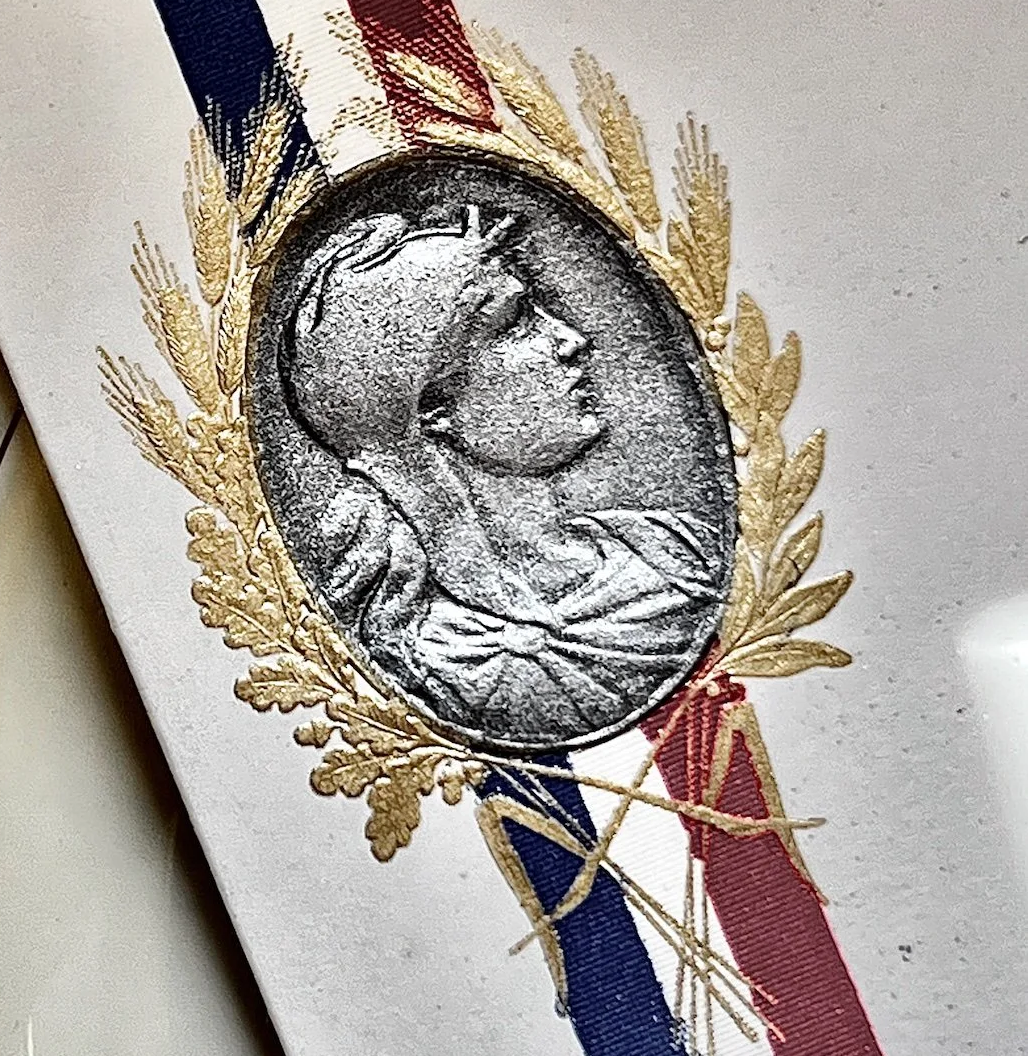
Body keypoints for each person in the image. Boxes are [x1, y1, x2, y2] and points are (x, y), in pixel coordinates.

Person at [278, 203, 722, 747]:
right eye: (515, 324)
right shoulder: (446, 664)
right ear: (432, 409)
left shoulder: (673, 551)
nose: (570, 339)